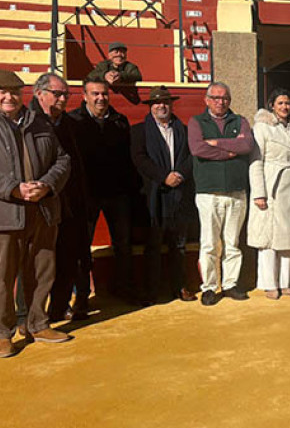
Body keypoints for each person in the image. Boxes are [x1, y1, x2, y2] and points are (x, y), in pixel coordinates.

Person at [0, 70, 71, 358]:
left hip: (42, 209)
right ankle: (3, 333)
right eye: (3, 91)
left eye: (14, 92)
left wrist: (48, 185)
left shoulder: (39, 122)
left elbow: (62, 159)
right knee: (3, 276)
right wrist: (13, 189)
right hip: (6, 212)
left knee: (42, 270)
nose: (9, 97)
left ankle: (37, 323)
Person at [70, 77, 139, 304]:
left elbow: (128, 159)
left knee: (123, 244)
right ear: (85, 96)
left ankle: (124, 288)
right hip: (86, 195)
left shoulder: (120, 120)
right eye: (95, 94)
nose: (100, 98)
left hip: (117, 194)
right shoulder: (73, 121)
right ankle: (81, 296)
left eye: (104, 94)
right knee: (82, 247)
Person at [30, 73, 91, 321]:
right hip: (39, 202)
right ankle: (29, 316)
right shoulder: (28, 122)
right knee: (36, 262)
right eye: (58, 94)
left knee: (68, 259)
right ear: (39, 94)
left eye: (66, 94)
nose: (63, 98)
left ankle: (56, 311)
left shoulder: (69, 124)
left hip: (70, 203)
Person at [188, 82, 254, 306]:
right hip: (209, 192)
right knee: (209, 243)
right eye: (215, 97)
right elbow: (198, 149)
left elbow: (246, 145)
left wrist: (216, 144)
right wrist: (230, 150)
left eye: (224, 98)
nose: (220, 101)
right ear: (206, 100)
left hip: (236, 191)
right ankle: (208, 287)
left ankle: (230, 284)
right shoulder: (197, 122)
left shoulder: (240, 121)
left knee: (232, 242)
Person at [130, 86, 196, 305]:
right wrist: (163, 176)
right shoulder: (139, 131)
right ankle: (152, 290)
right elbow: (140, 159)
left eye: (166, 102)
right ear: (151, 106)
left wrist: (179, 175)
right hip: (153, 195)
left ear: (171, 104)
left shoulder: (184, 130)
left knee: (179, 244)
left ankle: (180, 286)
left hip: (179, 193)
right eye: (157, 103)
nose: (162, 106)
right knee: (154, 244)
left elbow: (191, 156)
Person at [248, 88, 290, 300]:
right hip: (272, 184)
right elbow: (256, 162)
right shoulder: (262, 128)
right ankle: (269, 283)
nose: (284, 107)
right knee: (269, 237)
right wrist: (259, 193)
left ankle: (284, 281)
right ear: (272, 105)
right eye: (280, 103)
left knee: (288, 235)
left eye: (287, 103)